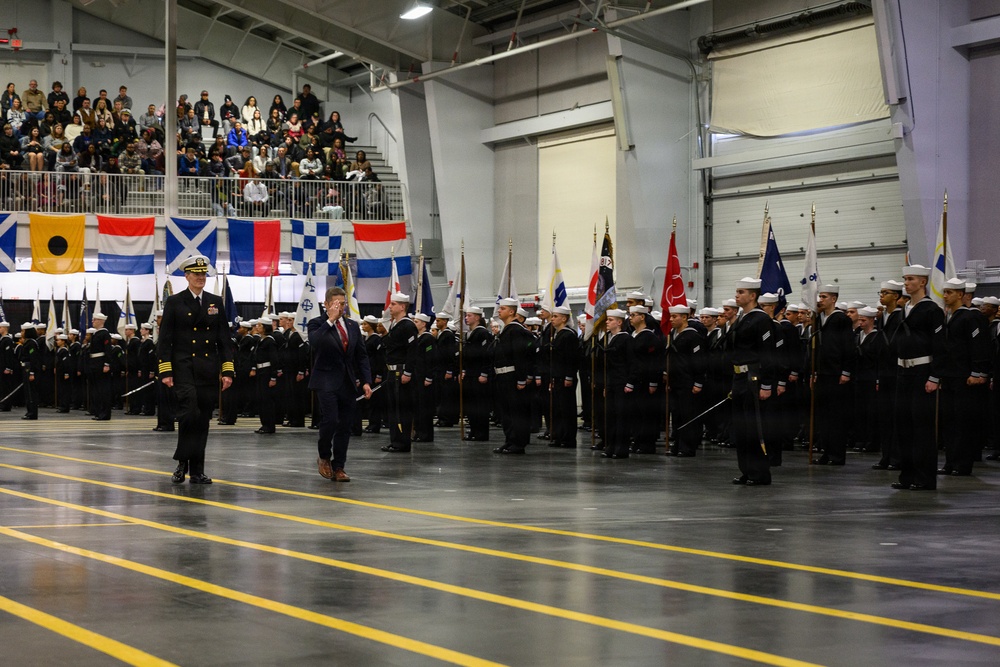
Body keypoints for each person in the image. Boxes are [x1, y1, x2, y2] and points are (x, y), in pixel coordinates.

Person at [157, 255, 235, 484]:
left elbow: (224, 339)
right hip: (183, 368)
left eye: (203, 274)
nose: (201, 277)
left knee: (202, 420)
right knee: (189, 413)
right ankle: (182, 461)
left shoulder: (214, 302)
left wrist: (227, 370)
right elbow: (165, 339)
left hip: (207, 369)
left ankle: (197, 471)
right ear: (187, 276)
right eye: (196, 274)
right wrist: (165, 370)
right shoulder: (175, 302)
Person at [309, 287, 372, 482]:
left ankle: (339, 466)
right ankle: (324, 456)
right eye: (336, 304)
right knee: (330, 420)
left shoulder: (352, 326)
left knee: (345, 425)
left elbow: (361, 355)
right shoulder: (317, 323)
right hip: (326, 380)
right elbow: (315, 343)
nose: (341, 308)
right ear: (327, 304)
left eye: (343, 304)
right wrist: (330, 321)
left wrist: (366, 381)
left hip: (347, 382)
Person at [727, 277, 777, 486]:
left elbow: (768, 354)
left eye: (741, 292)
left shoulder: (761, 319)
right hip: (740, 378)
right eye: (737, 291)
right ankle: (747, 470)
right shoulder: (742, 318)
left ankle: (760, 473)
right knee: (741, 428)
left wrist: (766, 384)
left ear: (753, 295)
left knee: (754, 428)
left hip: (754, 379)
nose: (737, 295)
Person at [382, 292, 419, 453]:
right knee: (393, 408)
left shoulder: (407, 326)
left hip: (401, 371)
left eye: (393, 304)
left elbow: (412, 350)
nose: (390, 307)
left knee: (401, 409)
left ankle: (402, 442)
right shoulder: (395, 325)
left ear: (402, 307)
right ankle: (395, 440)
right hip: (392, 372)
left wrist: (408, 372)